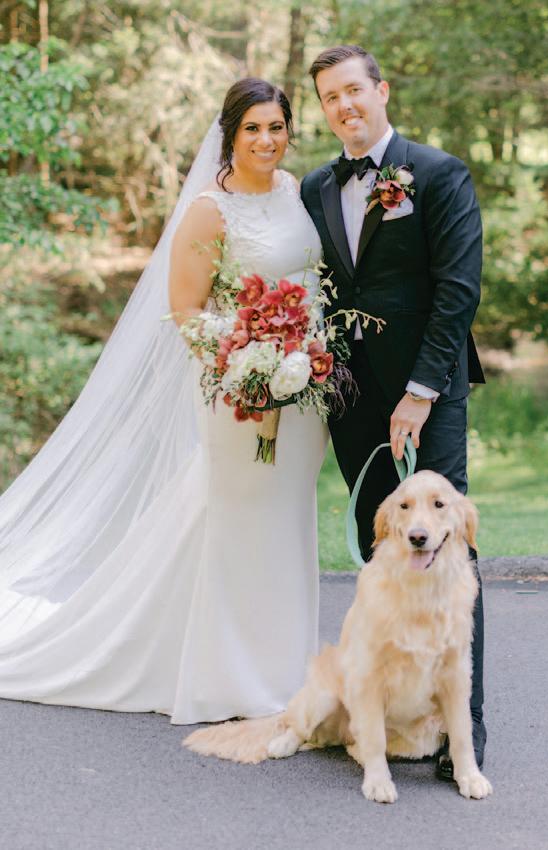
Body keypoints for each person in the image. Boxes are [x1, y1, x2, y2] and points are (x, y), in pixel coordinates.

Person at [0, 79, 327, 724]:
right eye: (253, 128)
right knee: (241, 521)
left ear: (290, 130)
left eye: (276, 127)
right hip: (241, 393)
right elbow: (186, 310)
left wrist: (303, 359)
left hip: (303, 390)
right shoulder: (209, 210)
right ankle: (230, 677)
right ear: (230, 135)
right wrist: (247, 364)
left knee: (287, 522)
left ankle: (284, 665)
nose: (266, 140)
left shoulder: (292, 190)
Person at [300, 45, 487, 778]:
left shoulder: (437, 173)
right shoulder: (316, 187)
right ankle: (386, 716)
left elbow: (457, 290)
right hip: (350, 396)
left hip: (427, 392)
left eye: (353, 90)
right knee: (381, 544)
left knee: (446, 549)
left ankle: (464, 730)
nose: (344, 105)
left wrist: (420, 390)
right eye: (329, 96)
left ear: (380, 91)